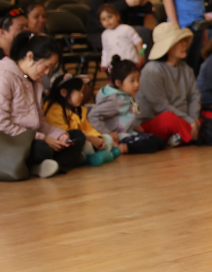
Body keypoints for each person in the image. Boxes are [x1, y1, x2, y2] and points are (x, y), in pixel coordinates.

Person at [0, 33, 83, 178]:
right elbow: (2, 124)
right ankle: (54, 163)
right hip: (11, 141)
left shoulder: (35, 82)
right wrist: (42, 138)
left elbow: (40, 122)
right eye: (46, 66)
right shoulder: (5, 76)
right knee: (41, 148)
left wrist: (59, 135)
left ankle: (50, 166)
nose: (46, 73)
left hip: (33, 138)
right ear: (30, 56)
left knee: (76, 136)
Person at [88, 56, 167, 154]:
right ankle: (122, 148)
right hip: (119, 138)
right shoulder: (115, 100)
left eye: (138, 80)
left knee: (160, 141)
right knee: (150, 144)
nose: (137, 84)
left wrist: (133, 127)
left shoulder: (126, 96)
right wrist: (108, 133)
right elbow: (92, 115)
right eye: (132, 81)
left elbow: (123, 117)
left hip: (128, 133)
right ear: (118, 83)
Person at [137, 23, 200, 145]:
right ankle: (188, 134)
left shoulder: (186, 69)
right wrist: (189, 121)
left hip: (185, 117)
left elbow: (194, 96)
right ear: (168, 47)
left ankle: (183, 134)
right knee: (168, 120)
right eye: (179, 42)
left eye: (184, 41)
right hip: (155, 119)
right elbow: (161, 106)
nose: (185, 45)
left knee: (210, 112)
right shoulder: (152, 71)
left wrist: (194, 119)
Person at [43, 74, 118, 166]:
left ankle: (97, 155)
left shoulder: (78, 110)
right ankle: (92, 157)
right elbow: (63, 133)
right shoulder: (55, 110)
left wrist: (98, 138)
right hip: (69, 144)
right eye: (79, 91)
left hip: (85, 139)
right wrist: (90, 139)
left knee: (107, 138)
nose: (82, 95)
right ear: (63, 92)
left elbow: (88, 128)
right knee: (87, 145)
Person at [98, 3, 144, 71]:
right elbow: (105, 50)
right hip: (114, 68)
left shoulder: (127, 29)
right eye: (103, 19)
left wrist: (141, 55)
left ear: (118, 16)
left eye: (110, 17)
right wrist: (104, 64)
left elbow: (139, 42)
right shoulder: (104, 34)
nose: (107, 21)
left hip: (131, 64)